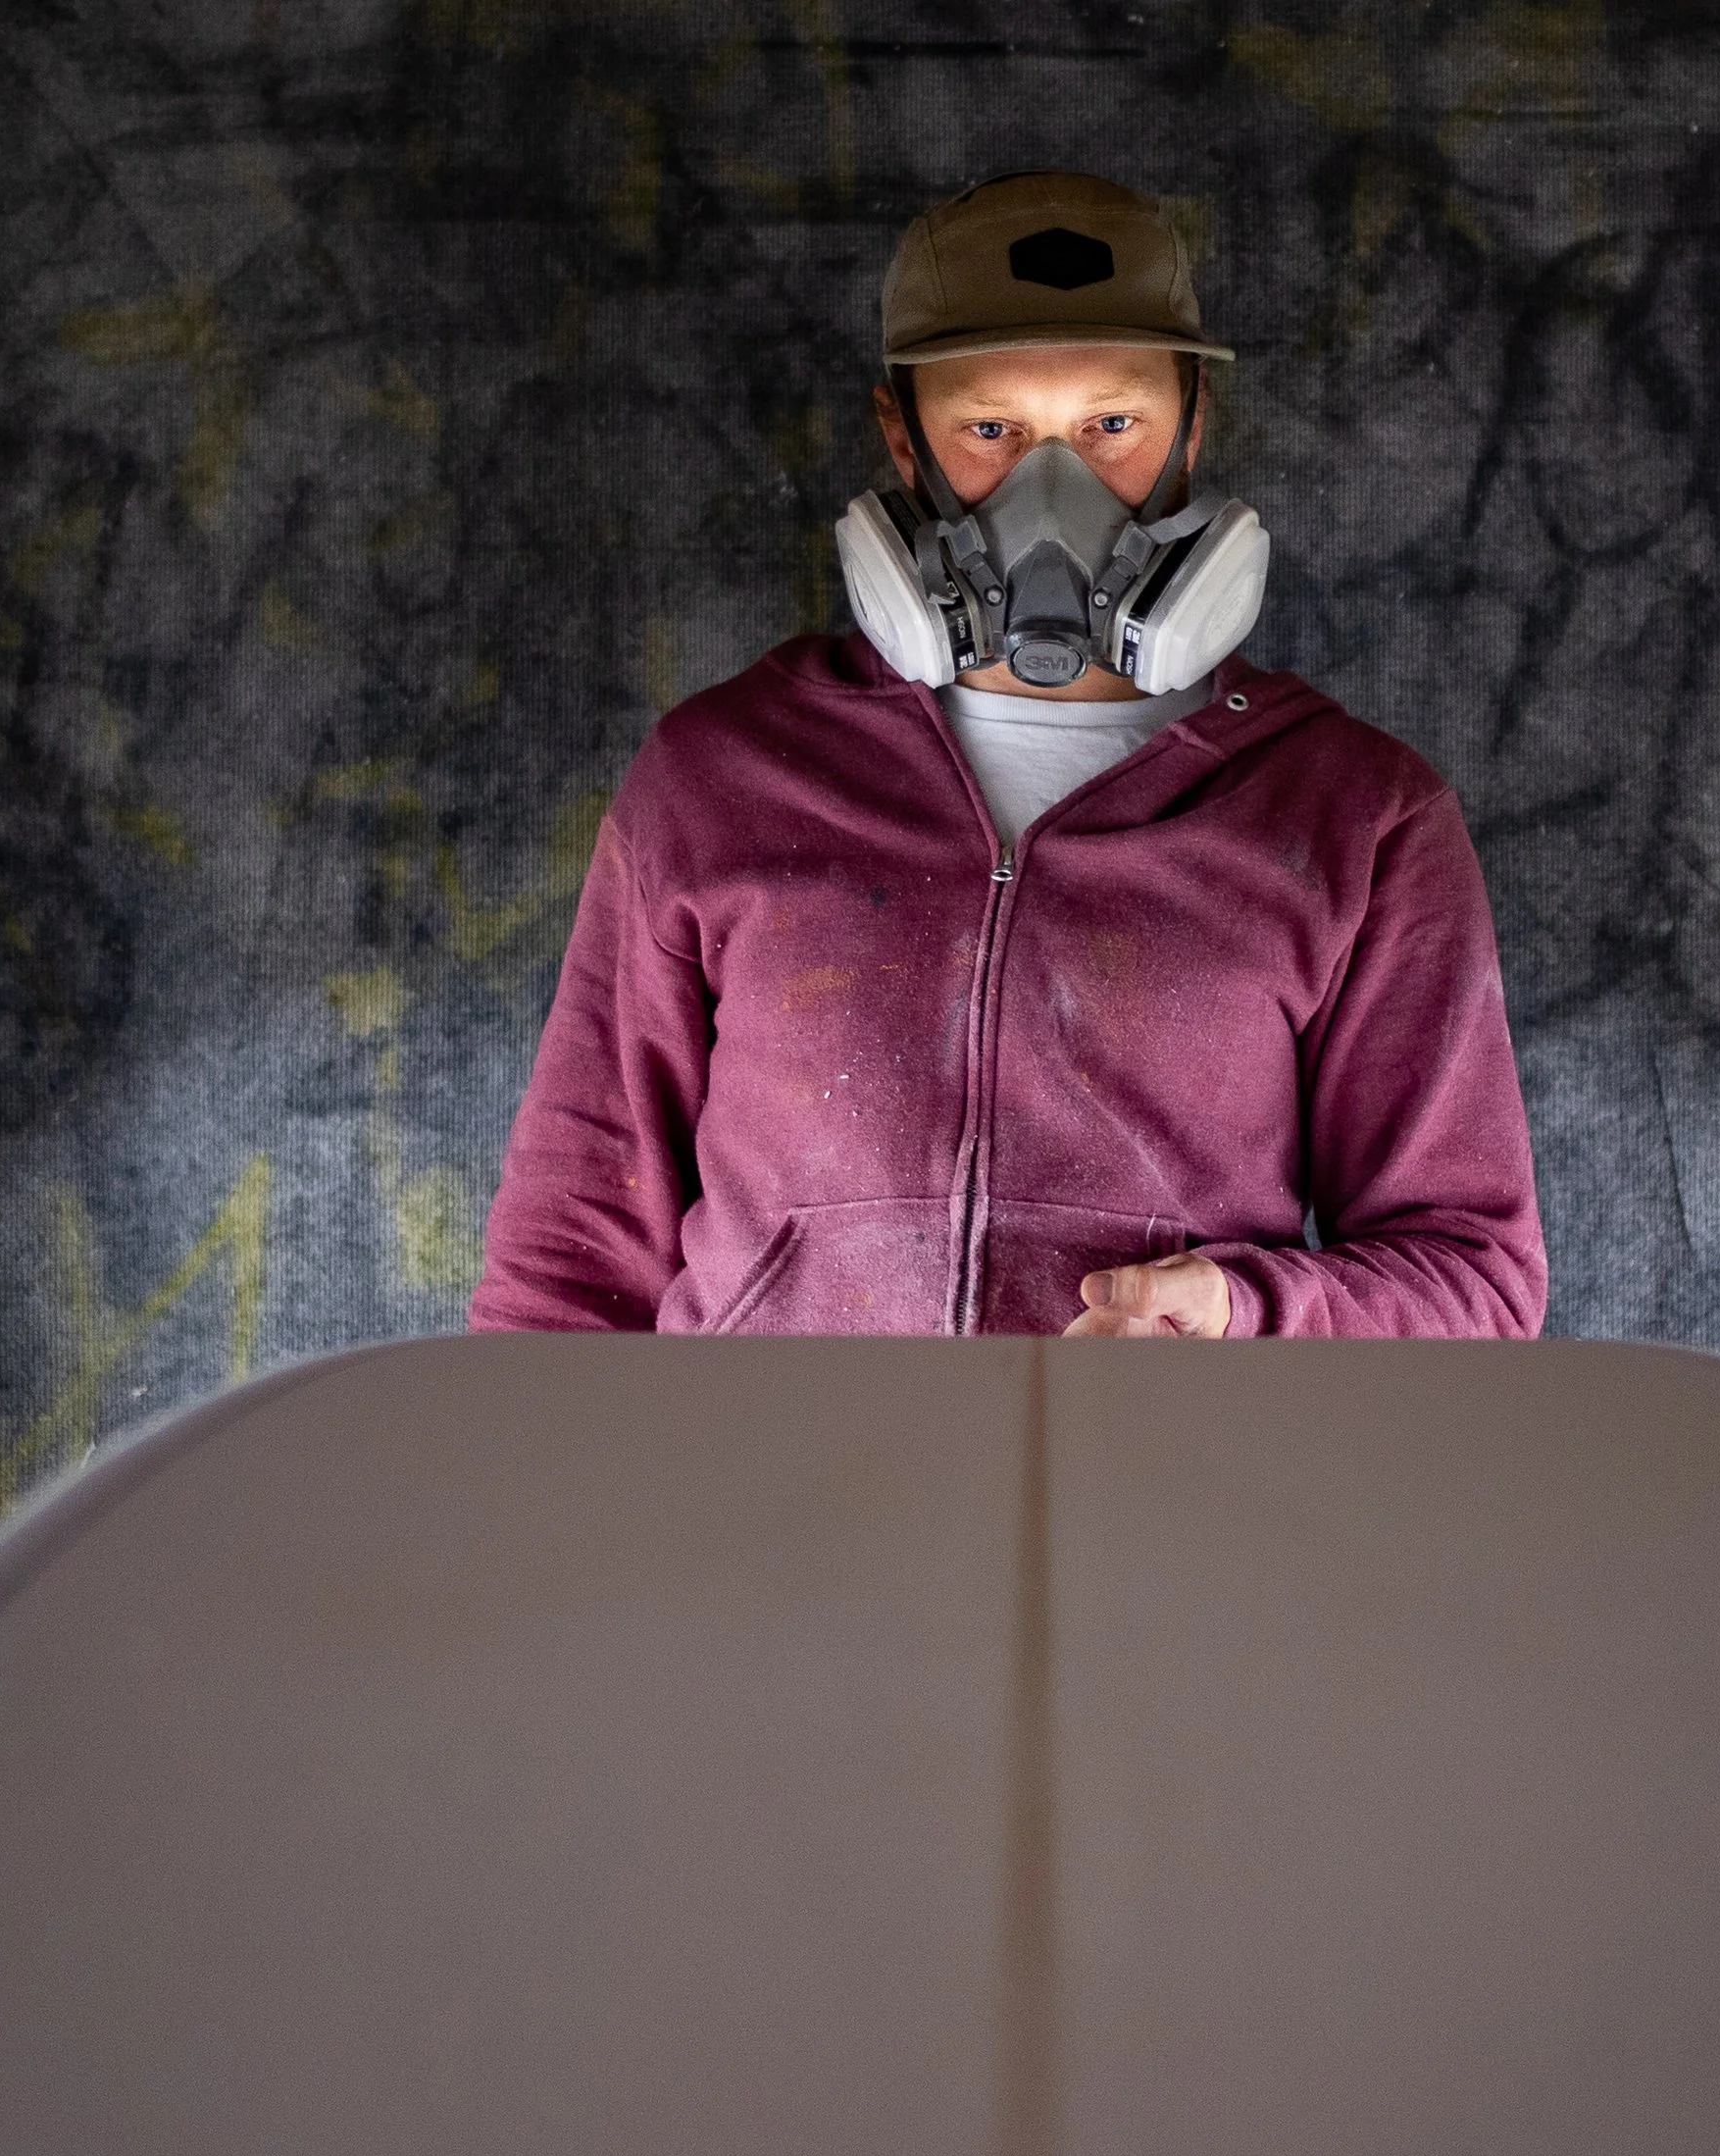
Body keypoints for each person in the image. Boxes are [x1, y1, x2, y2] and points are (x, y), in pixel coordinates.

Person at [468, 172, 1545, 1339]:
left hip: (1158, 1509)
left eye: (1110, 426)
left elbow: (1474, 1282)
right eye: (990, 430)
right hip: (768, 1510)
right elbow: (566, 1267)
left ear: (1194, 423)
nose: (1054, 491)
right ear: (901, 438)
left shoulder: (1353, 817)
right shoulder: (720, 779)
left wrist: (1243, 1315)